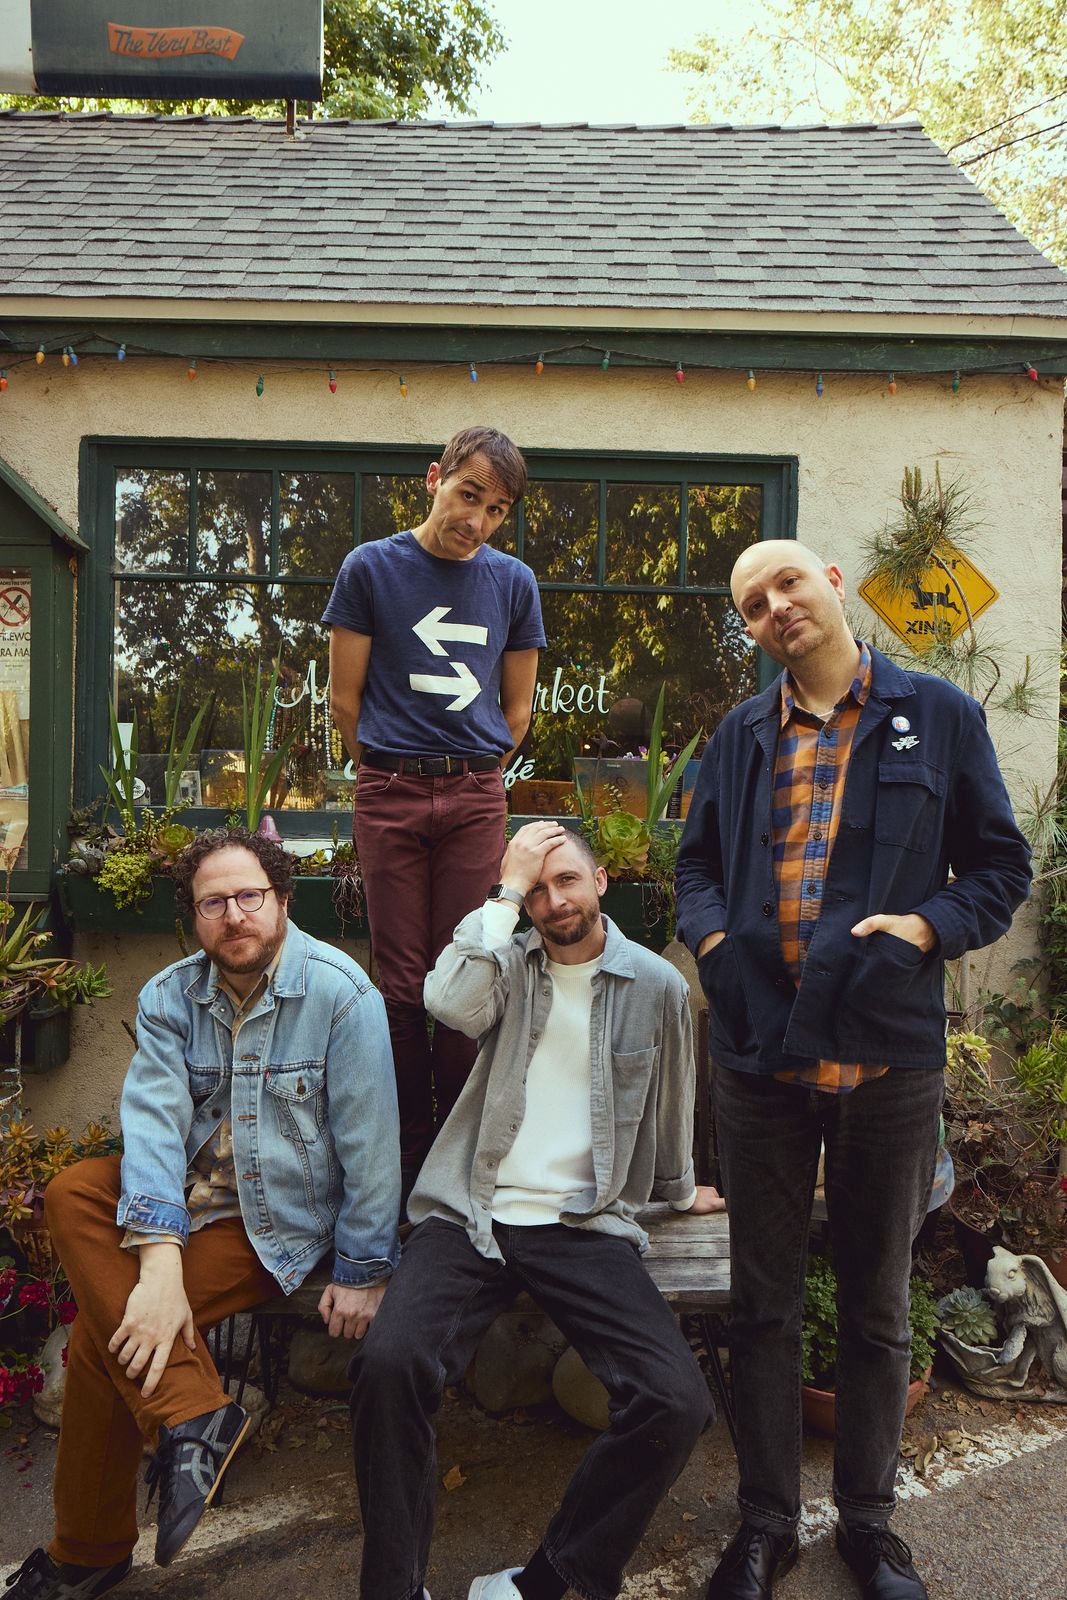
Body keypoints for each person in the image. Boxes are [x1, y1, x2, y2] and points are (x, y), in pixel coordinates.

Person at [675, 541, 1031, 1600]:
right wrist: (713, 945)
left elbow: (998, 868)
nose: (773, 606)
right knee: (760, 1304)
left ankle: (869, 1527)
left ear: (830, 582)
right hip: (758, 1058)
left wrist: (926, 925)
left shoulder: (938, 715)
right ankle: (765, 1523)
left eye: (785, 582)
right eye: (751, 603)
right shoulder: (739, 735)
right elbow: (694, 868)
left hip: (885, 1057)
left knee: (878, 1305)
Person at [7, 829, 400, 1600]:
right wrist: (157, 1259)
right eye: (213, 903)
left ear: (281, 900)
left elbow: (371, 1147)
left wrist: (363, 1269)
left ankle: (88, 1549)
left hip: (274, 1218)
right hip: (185, 1198)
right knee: (73, 1190)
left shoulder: (340, 993)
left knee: (103, 1339)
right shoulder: (170, 995)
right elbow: (153, 1126)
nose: (234, 915)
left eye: (249, 896)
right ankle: (193, 1415)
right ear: (193, 917)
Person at [351, 822, 725, 1600]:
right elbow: (445, 1002)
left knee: (675, 1399)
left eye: (567, 881)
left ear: (600, 882)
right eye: (537, 889)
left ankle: (547, 1580)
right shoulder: (505, 966)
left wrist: (678, 1189)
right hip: (471, 1212)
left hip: (583, 1223)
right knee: (389, 1364)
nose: (553, 902)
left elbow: (671, 1102)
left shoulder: (655, 985)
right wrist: (504, 891)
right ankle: (393, 1588)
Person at [324, 426, 545, 1201]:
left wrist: (470, 774)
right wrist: (390, 770)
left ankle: (455, 1166)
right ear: (433, 479)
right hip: (387, 791)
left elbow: (517, 711)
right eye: (467, 495)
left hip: (474, 798)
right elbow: (344, 699)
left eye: (496, 509)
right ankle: (402, 1161)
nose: (476, 520)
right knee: (398, 985)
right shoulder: (370, 568)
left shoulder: (513, 582)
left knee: (462, 978)